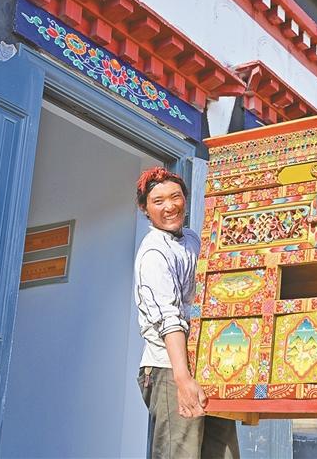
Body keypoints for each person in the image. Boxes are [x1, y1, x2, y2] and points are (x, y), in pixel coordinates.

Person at [134, 166, 239, 458]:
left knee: (222, 452)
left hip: (206, 364)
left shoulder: (192, 239)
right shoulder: (154, 253)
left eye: (175, 196)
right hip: (170, 366)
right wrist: (183, 379)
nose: (169, 206)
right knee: (180, 453)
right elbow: (169, 320)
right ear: (145, 209)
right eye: (158, 201)